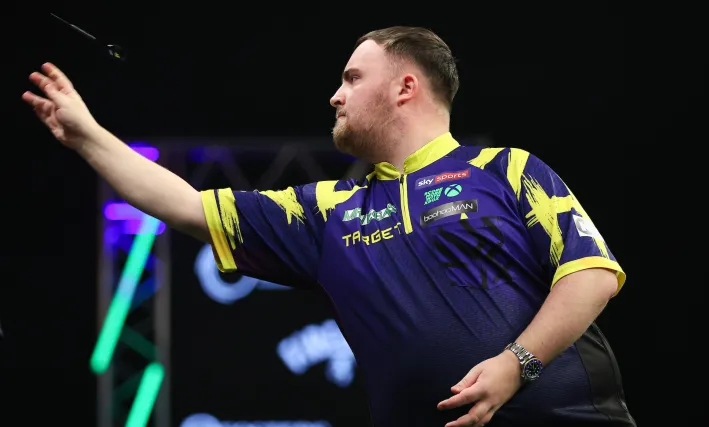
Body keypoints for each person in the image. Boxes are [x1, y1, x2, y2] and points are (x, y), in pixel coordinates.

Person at [23, 26, 636, 427]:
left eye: (351, 78)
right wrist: (87, 136)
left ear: (405, 87)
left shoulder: (507, 170)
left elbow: (592, 275)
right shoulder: (327, 212)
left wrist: (515, 364)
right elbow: (187, 206)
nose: (335, 97)